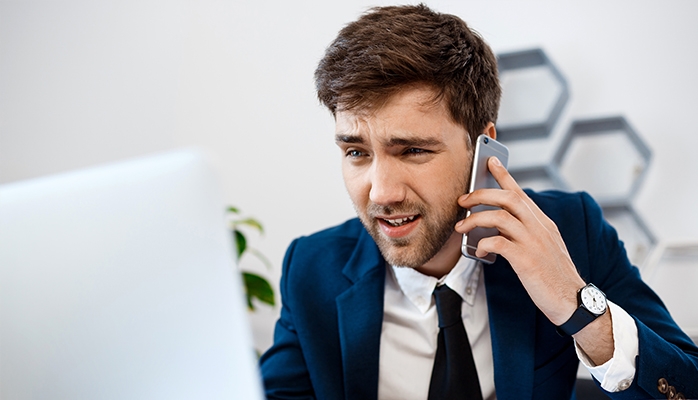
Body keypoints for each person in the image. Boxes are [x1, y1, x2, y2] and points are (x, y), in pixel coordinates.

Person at [259, 4, 698, 399]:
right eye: (356, 152)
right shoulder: (311, 269)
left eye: (413, 150)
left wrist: (577, 307)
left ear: (483, 148)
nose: (381, 193)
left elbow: (686, 387)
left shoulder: (572, 229)